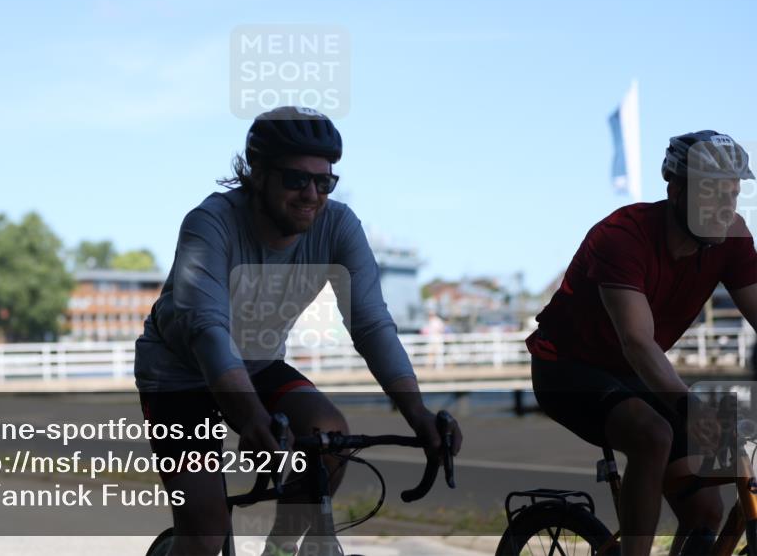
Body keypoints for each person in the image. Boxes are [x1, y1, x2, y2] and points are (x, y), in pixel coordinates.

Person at [135, 107, 463, 556]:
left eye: (324, 182)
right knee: (206, 533)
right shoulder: (210, 224)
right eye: (295, 180)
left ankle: (281, 548)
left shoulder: (338, 227)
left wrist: (418, 413)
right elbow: (208, 331)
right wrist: (252, 418)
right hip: (179, 374)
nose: (311, 194)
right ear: (258, 175)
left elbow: (371, 325)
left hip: (256, 363)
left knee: (329, 438)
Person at [526, 131, 757, 556]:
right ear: (676, 190)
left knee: (707, 511)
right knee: (653, 435)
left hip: (636, 373)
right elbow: (636, 341)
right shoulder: (623, 236)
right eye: (713, 195)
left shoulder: (733, 238)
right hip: (567, 367)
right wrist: (689, 406)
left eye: (733, 194)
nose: (726, 207)